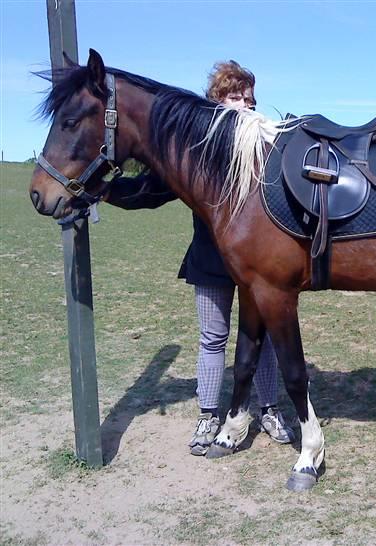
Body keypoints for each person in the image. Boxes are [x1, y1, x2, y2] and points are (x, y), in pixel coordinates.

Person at [106, 61, 294, 455]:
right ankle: (209, 413)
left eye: (249, 99)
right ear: (216, 100)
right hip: (211, 260)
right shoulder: (195, 150)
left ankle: (270, 408)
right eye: (234, 97)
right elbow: (150, 191)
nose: (244, 105)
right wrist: (104, 191)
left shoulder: (265, 146)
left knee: (265, 339)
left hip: (260, 264)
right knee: (213, 339)